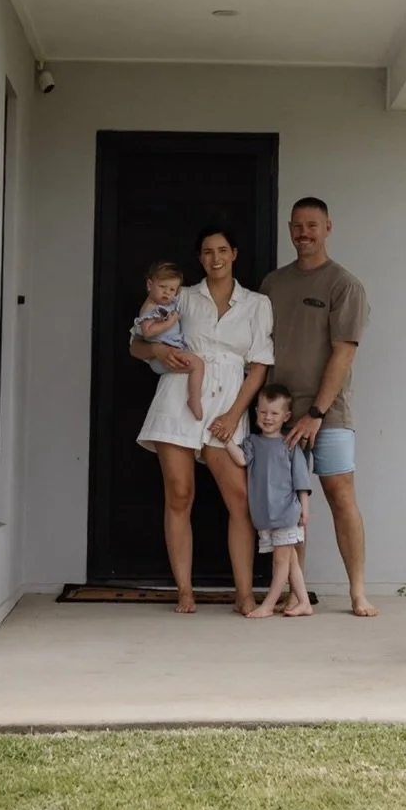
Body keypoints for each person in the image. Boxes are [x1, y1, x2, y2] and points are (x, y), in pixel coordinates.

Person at [211, 196, 377, 617]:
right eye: (297, 226)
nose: (304, 233)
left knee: (340, 495)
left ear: (328, 228)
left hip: (328, 414)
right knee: (286, 506)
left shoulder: (344, 285)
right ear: (289, 229)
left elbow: (344, 353)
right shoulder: (273, 284)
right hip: (279, 417)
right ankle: (294, 594)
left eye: (312, 225)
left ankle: (358, 592)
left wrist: (316, 414)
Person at [132, 226, 273, 615]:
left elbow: (260, 366)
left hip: (228, 400)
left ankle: (244, 593)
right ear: (199, 258)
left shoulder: (257, 303)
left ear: (234, 254)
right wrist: (157, 350)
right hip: (180, 395)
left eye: (223, 250)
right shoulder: (182, 296)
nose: (216, 258)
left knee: (239, 498)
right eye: (208, 251)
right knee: (179, 494)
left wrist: (234, 414)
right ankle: (184, 590)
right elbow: (136, 344)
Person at [226, 384, 314, 618]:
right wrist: (225, 440)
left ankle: (268, 604)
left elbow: (301, 480)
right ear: (256, 412)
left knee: (280, 562)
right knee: (291, 561)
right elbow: (241, 460)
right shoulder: (252, 442)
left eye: (274, 413)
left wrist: (304, 509)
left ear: (286, 416)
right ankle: (304, 602)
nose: (268, 418)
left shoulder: (290, 444)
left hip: (286, 513)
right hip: (265, 515)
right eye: (263, 412)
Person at [132, 260, 205, 421]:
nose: (167, 293)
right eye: (162, 287)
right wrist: (169, 323)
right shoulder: (150, 308)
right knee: (197, 365)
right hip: (164, 356)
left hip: (170, 351)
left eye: (172, 289)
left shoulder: (165, 303)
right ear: (150, 285)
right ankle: (194, 400)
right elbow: (147, 332)